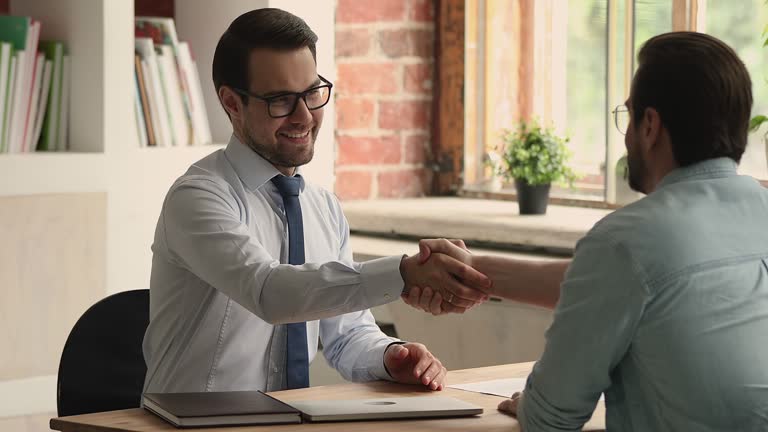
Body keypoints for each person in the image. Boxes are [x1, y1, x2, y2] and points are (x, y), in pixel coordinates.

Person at [409, 31, 768, 431]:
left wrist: (532, 404)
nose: (627, 134)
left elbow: (550, 419)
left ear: (650, 125)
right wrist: (473, 270)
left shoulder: (628, 239)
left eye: (629, 116)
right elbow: (616, 278)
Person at [142, 8, 492, 395]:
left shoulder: (322, 207)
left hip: (290, 420)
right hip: (188, 424)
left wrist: (391, 357)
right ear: (232, 103)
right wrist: (404, 274)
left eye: (311, 93)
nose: (304, 116)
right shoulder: (197, 197)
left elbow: (347, 334)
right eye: (280, 100)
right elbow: (270, 293)